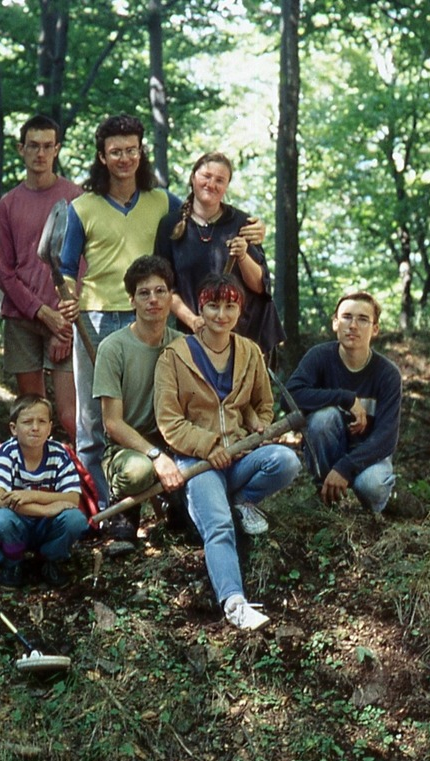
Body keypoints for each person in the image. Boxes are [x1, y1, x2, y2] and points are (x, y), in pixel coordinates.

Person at [57, 114, 265, 507]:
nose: (124, 158)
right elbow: (67, 268)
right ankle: (107, 505)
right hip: (97, 318)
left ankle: (167, 498)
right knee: (94, 419)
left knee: (162, 408)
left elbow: (209, 207)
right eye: (115, 151)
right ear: (102, 156)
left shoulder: (161, 200)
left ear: (141, 153)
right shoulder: (81, 207)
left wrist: (255, 228)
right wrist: (68, 298)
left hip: (155, 314)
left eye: (131, 150)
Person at [154, 274, 300, 631]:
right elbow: (168, 421)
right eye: (213, 305)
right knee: (219, 526)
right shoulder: (175, 356)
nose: (221, 314)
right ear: (200, 308)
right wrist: (208, 446)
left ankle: (242, 501)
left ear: (240, 310)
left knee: (285, 460)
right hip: (196, 463)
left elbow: (264, 405)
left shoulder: (250, 352)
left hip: (237, 457)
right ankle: (234, 602)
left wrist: (254, 424)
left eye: (230, 306)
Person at [0, 115, 81, 440]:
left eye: (47, 146)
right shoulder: (8, 204)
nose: (40, 154)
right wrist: (42, 313)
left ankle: (88, 485)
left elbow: (82, 265)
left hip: (66, 318)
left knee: (71, 417)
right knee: (33, 415)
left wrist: (63, 321)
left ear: (57, 149)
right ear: (21, 149)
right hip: (22, 319)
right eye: (33, 146)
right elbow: (5, 273)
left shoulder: (75, 198)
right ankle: (38, 480)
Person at [92, 255, 187, 541]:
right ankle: (123, 512)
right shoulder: (113, 348)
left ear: (171, 297)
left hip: (174, 442)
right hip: (126, 449)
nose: (153, 300)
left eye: (160, 291)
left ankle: (179, 510)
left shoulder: (181, 346)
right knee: (138, 471)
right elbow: (112, 424)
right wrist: (156, 456)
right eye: (144, 293)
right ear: (132, 301)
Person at [285, 291, 404, 515]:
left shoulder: (387, 373)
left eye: (363, 319)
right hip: (329, 450)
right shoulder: (319, 357)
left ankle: (374, 511)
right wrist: (345, 397)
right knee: (323, 418)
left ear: (375, 329)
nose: (353, 326)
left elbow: (386, 438)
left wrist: (345, 467)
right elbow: (289, 398)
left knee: (372, 485)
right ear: (335, 323)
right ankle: (325, 496)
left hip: (368, 456)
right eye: (347, 317)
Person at [154, 152, 283, 355]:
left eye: (220, 180)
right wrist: (194, 322)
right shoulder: (170, 225)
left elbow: (260, 286)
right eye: (206, 176)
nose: (211, 184)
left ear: (226, 187)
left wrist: (242, 257)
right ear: (193, 177)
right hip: (194, 335)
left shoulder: (242, 222)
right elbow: (165, 287)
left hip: (245, 335)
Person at [0, 394, 89, 588]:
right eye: (27, 422)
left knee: (75, 519)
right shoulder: (8, 452)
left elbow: (72, 499)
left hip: (46, 527)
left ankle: (50, 560)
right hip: (18, 524)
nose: (35, 427)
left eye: (41, 422)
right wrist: (46, 509)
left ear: (50, 427)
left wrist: (30, 495)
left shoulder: (59, 454)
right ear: (14, 428)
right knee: (0, 520)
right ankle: (13, 562)